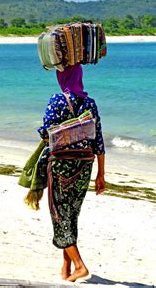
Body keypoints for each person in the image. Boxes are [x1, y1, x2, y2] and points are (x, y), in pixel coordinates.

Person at [37, 64, 105, 282]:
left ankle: (80, 265)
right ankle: (66, 269)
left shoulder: (57, 100)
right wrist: (101, 175)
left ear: (62, 77)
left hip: (61, 165)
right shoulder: (90, 103)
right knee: (71, 214)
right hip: (85, 165)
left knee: (59, 214)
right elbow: (99, 141)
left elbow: (46, 131)